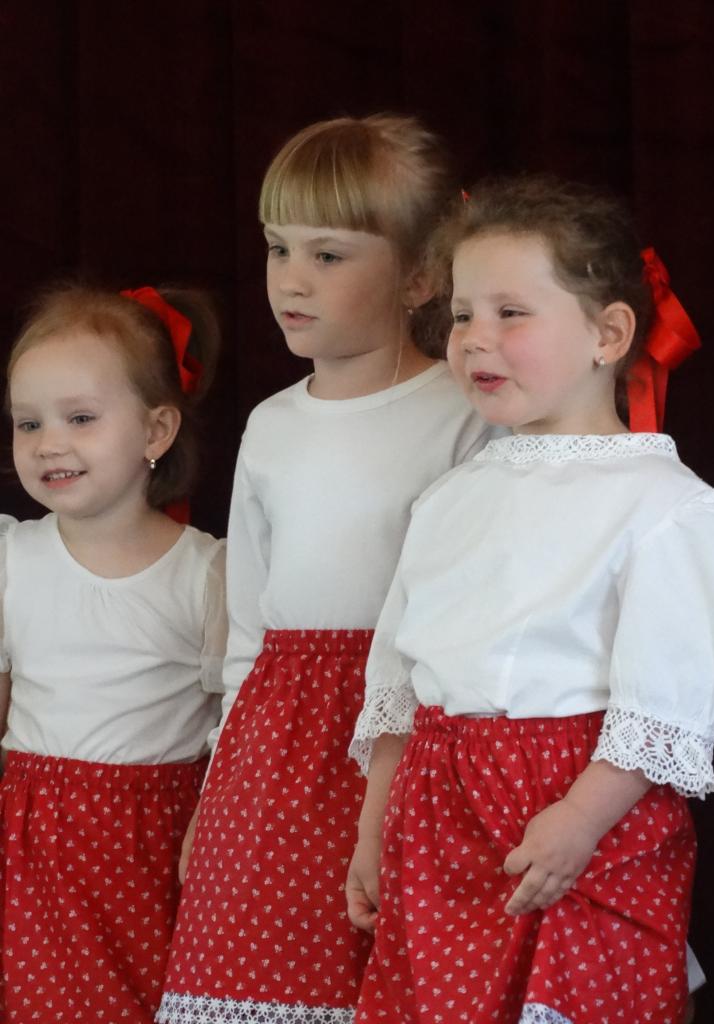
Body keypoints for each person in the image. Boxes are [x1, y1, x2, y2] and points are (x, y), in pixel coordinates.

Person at [347, 174, 714, 1023]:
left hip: (578, 828)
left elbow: (664, 709)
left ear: (609, 334)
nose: (475, 339)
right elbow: (399, 687)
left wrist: (578, 820)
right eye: (462, 314)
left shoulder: (668, 507)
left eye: (511, 313)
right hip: (438, 829)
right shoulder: (449, 499)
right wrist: (373, 829)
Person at [158, 114, 496, 1024]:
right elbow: (249, 634)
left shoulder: (465, 414)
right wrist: (216, 795)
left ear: (419, 275)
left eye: (329, 255)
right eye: (278, 248)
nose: (291, 280)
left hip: (410, 736)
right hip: (276, 749)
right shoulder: (270, 426)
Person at [0, 284, 226, 1023]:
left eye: (80, 418)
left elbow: (233, 726)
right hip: (31, 845)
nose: (48, 443)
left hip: (156, 845)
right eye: (28, 422)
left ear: (157, 429)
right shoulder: (11, 557)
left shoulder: (208, 572)